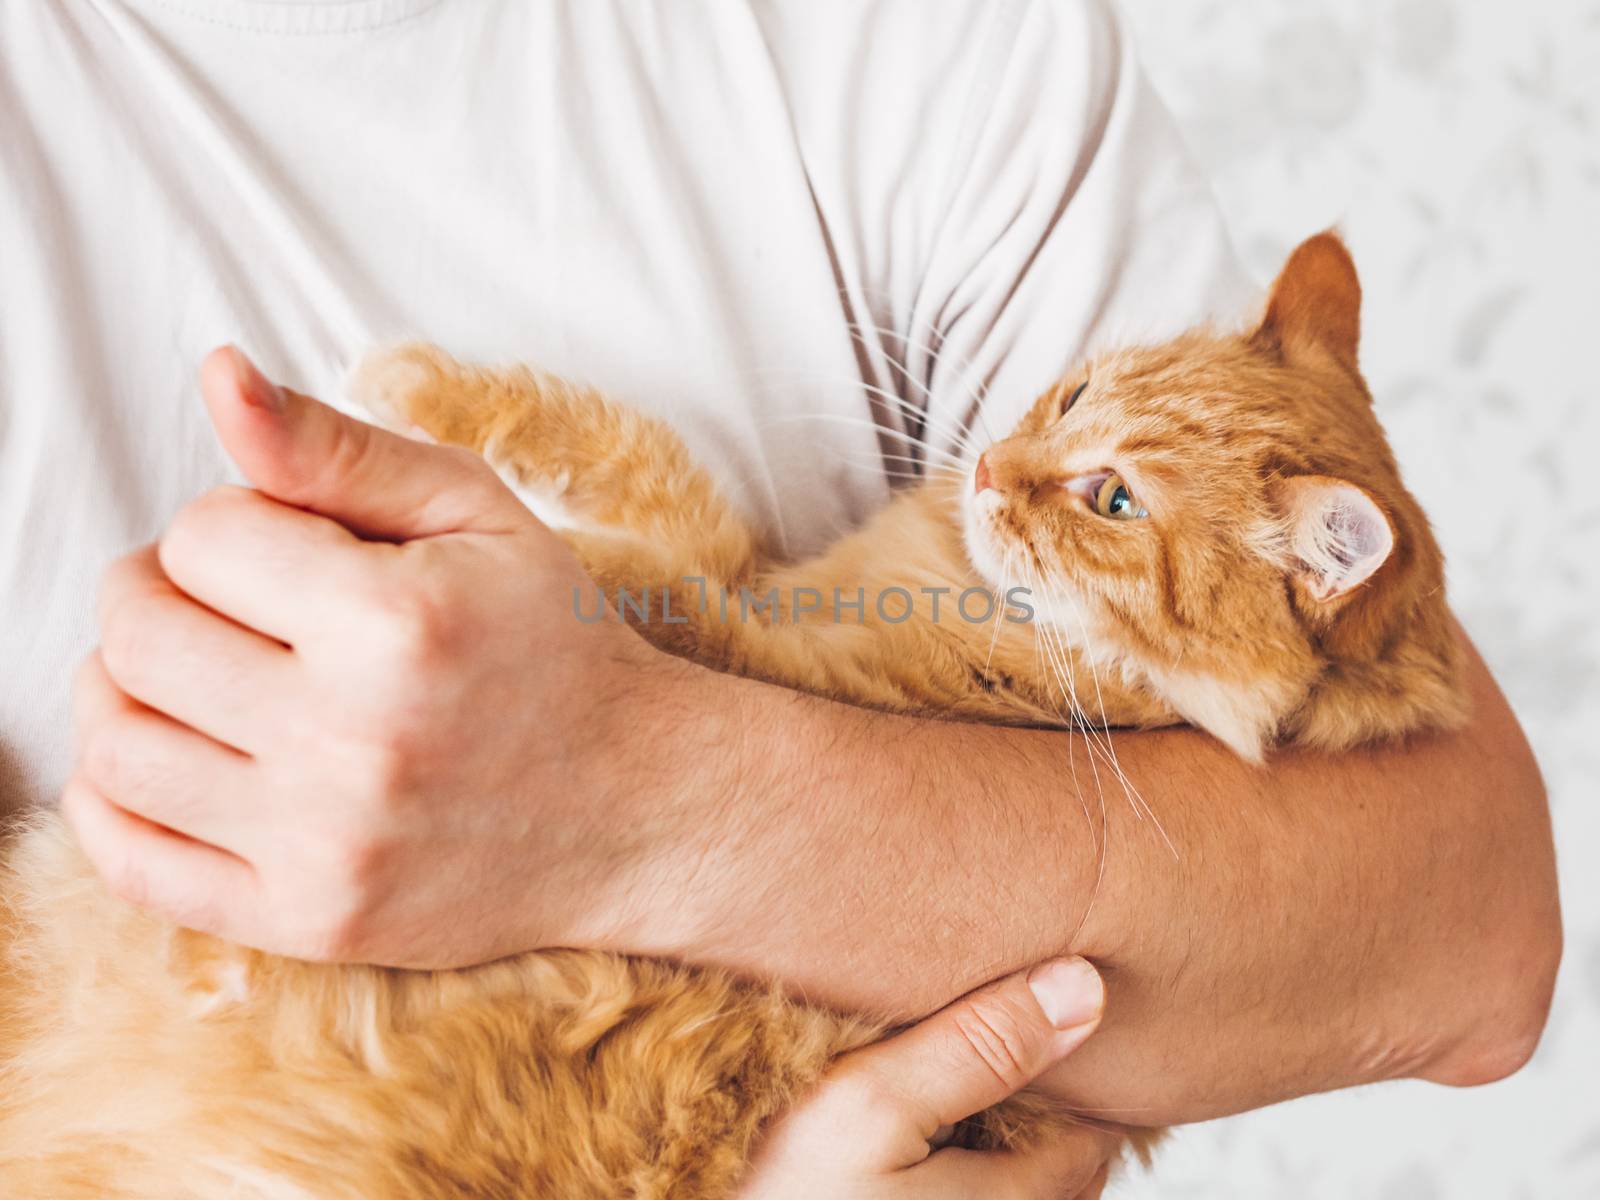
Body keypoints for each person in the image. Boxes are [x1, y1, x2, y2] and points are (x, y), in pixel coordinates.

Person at [0, 0, 1559, 1193]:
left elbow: (1469, 936)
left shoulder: (919, 45)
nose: (991, 478)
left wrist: (630, 788)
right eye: (1063, 404)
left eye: (1097, 486)